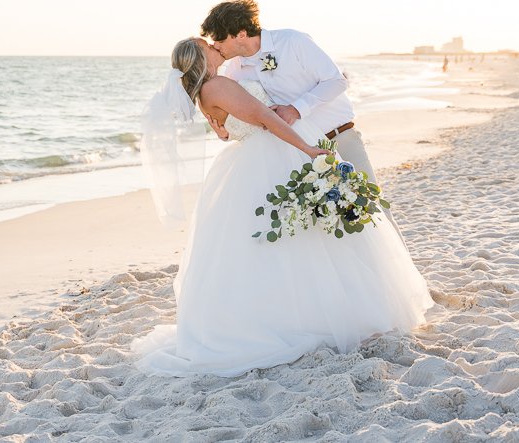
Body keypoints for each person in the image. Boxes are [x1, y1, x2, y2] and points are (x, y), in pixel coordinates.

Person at [133, 37, 433, 377]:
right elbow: (264, 117)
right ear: (202, 56)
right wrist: (306, 149)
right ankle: (320, 318)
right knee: (306, 236)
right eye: (209, 46)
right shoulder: (216, 85)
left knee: (288, 240)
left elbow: (227, 132)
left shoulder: (205, 93)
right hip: (276, 151)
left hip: (253, 159)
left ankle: (303, 312)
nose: (216, 47)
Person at [200, 0, 406, 245]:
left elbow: (337, 80)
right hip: (299, 154)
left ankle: (402, 278)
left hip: (338, 136)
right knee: (325, 223)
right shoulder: (234, 69)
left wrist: (297, 109)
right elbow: (246, 114)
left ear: (241, 34)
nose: (216, 46)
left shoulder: (293, 42)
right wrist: (226, 132)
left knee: (371, 208)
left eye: (219, 40)